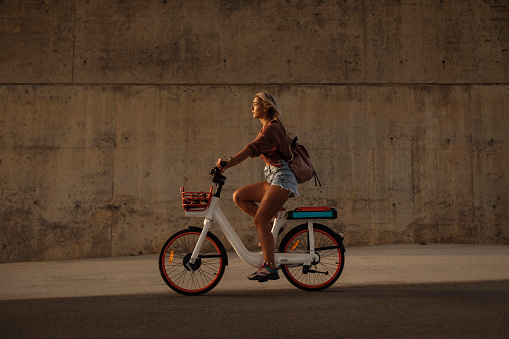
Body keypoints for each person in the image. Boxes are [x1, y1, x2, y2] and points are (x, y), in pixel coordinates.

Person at [216, 92, 299, 282]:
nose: (251, 108)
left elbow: (250, 148)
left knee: (259, 220)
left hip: (283, 179)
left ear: (266, 107)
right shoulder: (267, 127)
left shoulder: (271, 128)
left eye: (255, 104)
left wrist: (228, 163)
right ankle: (271, 225)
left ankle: (270, 267)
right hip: (274, 178)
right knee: (239, 196)